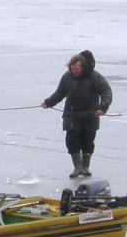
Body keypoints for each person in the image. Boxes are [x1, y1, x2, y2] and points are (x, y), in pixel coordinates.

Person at [41, 50, 112, 178]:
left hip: (90, 116)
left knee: (88, 143)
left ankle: (85, 167)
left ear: (83, 67)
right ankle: (77, 168)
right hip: (72, 116)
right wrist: (48, 102)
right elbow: (60, 93)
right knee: (72, 141)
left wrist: (103, 107)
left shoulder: (95, 77)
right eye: (72, 69)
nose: (73, 71)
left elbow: (106, 92)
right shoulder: (67, 77)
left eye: (76, 69)